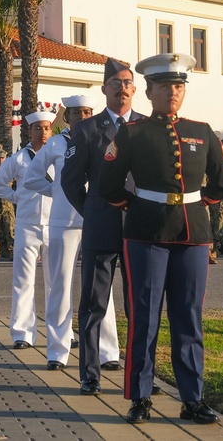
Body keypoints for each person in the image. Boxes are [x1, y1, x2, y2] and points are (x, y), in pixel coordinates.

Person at [100, 52, 223, 425]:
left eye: (178, 86)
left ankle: (193, 398)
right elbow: (109, 186)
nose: (172, 93)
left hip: (192, 234)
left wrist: (194, 204)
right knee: (144, 317)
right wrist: (137, 206)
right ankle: (139, 397)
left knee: (188, 317)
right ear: (149, 91)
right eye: (164, 87)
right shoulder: (131, 133)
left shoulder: (203, 131)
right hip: (145, 234)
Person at [61, 58, 145, 395]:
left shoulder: (146, 126)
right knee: (94, 305)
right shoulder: (86, 130)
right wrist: (92, 211)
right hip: (101, 228)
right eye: (116, 83)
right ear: (104, 89)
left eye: (127, 83)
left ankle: (140, 375)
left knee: (140, 305)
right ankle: (90, 375)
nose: (122, 88)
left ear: (135, 90)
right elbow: (70, 181)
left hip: (140, 227)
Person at [23, 94, 121, 380]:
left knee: (104, 289)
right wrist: (55, 191)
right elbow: (31, 177)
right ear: (67, 117)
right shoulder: (55, 143)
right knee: (61, 287)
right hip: (63, 222)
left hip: (97, 220)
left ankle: (108, 352)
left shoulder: (105, 139)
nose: (82, 116)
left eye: (87, 111)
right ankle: (57, 350)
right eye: (76, 112)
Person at [0, 111, 55, 355]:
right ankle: (22, 333)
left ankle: (61, 333)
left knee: (56, 282)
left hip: (54, 224)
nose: (43, 132)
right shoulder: (19, 159)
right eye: (38, 128)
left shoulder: (59, 158)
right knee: (23, 281)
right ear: (30, 131)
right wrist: (16, 197)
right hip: (27, 225)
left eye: (47, 127)